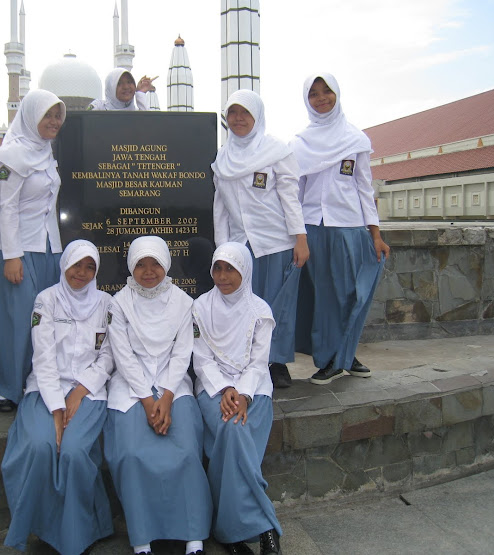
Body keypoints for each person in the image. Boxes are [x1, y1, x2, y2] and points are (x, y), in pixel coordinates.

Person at [1, 240, 114, 554]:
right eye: (76, 264)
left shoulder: (106, 304)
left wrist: (80, 391)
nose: (82, 273)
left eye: (90, 266)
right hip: (45, 391)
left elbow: (107, 357)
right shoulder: (46, 300)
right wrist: (56, 410)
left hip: (88, 393)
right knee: (40, 445)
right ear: (64, 264)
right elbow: (43, 358)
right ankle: (41, 527)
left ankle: (80, 532)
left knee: (76, 451)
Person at [104, 236, 212, 555]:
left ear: (166, 265)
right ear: (131, 267)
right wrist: (148, 401)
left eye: (155, 264)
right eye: (141, 264)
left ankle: (193, 537)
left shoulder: (183, 302)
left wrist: (165, 397)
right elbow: (122, 357)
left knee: (188, 452)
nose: (148, 271)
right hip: (130, 388)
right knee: (131, 454)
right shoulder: (118, 303)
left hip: (173, 385)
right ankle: (142, 539)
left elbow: (182, 355)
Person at [291, 73, 390, 385]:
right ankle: (328, 359)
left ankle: (347, 354)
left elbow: (363, 188)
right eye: (314, 94)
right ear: (307, 100)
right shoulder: (301, 143)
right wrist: (298, 235)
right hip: (313, 228)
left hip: (348, 226)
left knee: (350, 295)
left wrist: (375, 234)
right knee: (324, 296)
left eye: (327, 92)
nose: (321, 99)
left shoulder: (355, 139)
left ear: (336, 94)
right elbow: (295, 192)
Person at [211, 90, 308, 389]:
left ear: (257, 116)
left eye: (245, 113)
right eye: (233, 113)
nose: (238, 119)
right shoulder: (222, 158)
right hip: (242, 247)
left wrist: (300, 239)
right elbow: (221, 209)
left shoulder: (276, 151)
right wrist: (223, 251)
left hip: (276, 243)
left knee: (276, 306)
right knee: (245, 306)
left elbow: (290, 198)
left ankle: (276, 362)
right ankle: (248, 362)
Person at [193, 242, 282, 555]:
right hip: (213, 390)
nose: (222, 276)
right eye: (218, 267)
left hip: (254, 390)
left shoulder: (260, 311)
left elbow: (259, 364)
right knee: (233, 431)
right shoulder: (201, 307)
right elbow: (201, 359)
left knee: (233, 432)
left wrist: (243, 394)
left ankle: (229, 531)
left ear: (245, 270)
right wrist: (224, 389)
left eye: (230, 268)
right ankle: (266, 526)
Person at [0, 90, 65, 412]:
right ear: (31, 116)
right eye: (47, 115)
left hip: (47, 247)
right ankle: (6, 390)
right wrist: (12, 256)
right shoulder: (12, 155)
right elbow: (6, 207)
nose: (54, 121)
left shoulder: (46, 153)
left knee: (42, 320)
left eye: (58, 115)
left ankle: (34, 382)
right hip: (16, 250)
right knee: (16, 320)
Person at [88, 67, 156, 111]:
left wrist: (140, 93)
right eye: (119, 83)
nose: (126, 87)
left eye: (129, 82)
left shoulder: (136, 112)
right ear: (111, 89)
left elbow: (148, 124)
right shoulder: (99, 107)